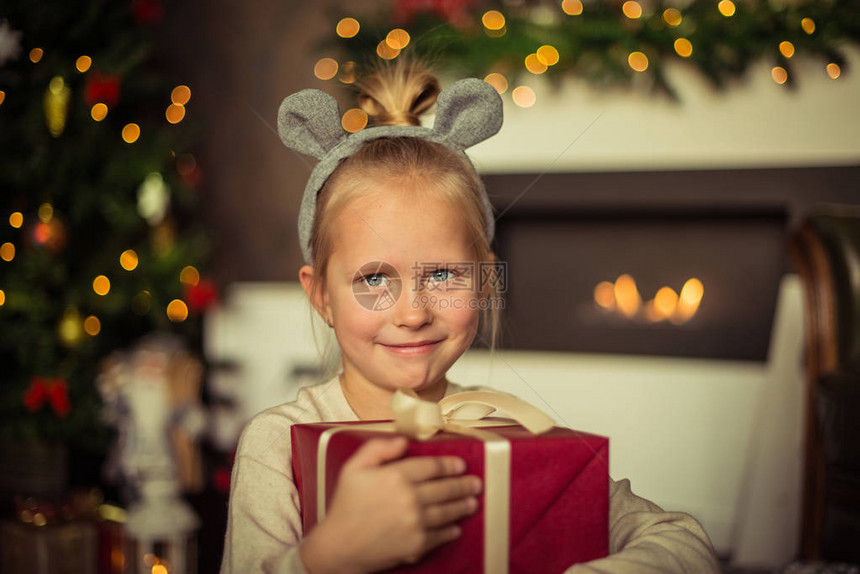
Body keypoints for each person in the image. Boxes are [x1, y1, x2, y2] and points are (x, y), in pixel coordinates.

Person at [220, 61, 721, 574]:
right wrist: (327, 556)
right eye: (373, 279)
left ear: (484, 283)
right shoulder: (277, 442)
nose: (413, 313)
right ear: (321, 296)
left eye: (442, 275)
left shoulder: (508, 431)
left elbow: (683, 541)